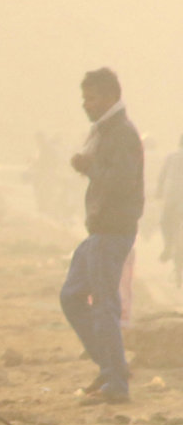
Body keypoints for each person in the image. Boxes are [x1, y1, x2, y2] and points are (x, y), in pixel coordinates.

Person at [62, 68, 144, 406]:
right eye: (85, 98)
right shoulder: (105, 131)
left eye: (91, 98)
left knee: (104, 305)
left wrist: (88, 168)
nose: (86, 104)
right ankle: (112, 368)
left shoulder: (121, 133)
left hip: (112, 230)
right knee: (71, 296)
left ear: (110, 97)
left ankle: (115, 382)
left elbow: (121, 182)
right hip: (100, 230)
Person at [158, 134, 183, 266]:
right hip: (175, 196)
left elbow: (162, 175)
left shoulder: (172, 155)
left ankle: (167, 247)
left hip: (173, 196)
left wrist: (158, 191)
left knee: (164, 222)